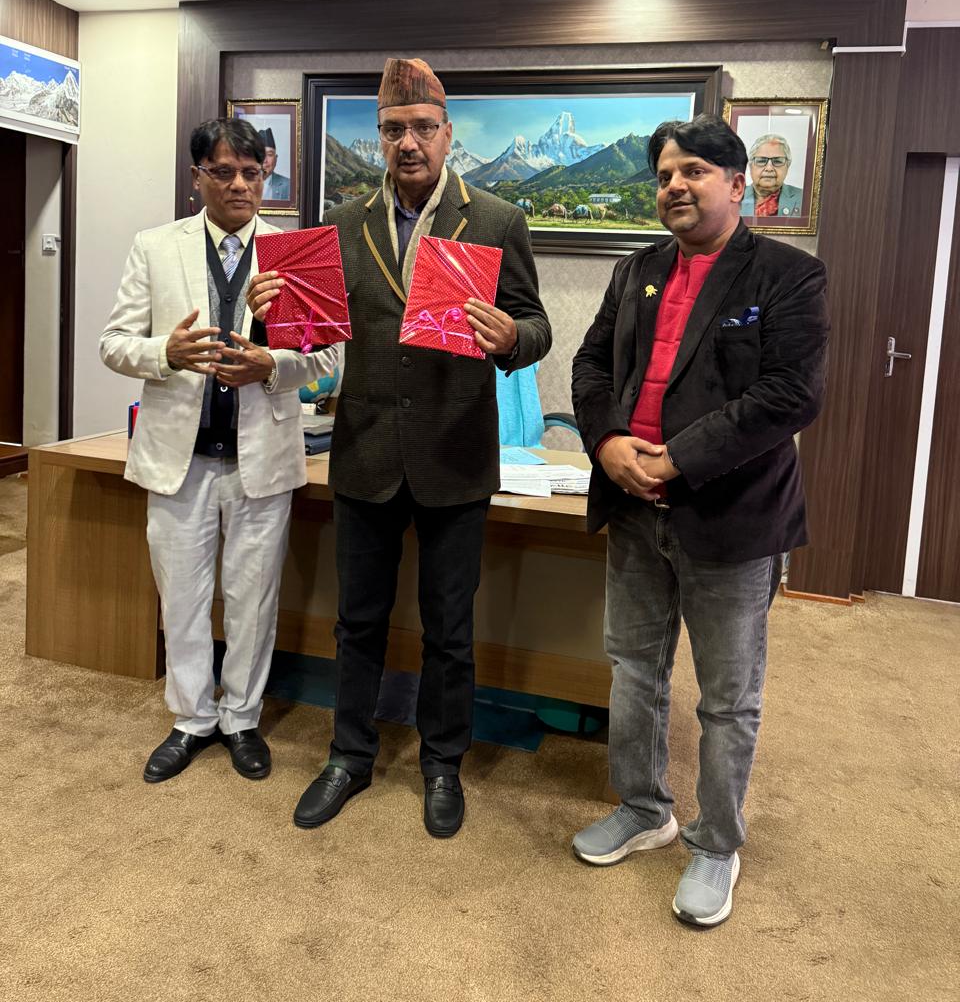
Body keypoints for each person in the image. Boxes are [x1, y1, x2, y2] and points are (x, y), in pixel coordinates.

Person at [248, 57, 552, 838]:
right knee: (357, 621)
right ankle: (348, 756)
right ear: (378, 138)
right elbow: (309, 336)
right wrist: (266, 314)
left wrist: (511, 337)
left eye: (421, 128)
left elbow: (537, 327)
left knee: (449, 629)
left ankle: (442, 764)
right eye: (392, 130)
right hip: (366, 452)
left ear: (447, 135)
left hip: (456, 451)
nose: (407, 142)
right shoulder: (341, 224)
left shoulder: (497, 220)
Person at [570, 114, 828, 927]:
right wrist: (609, 444)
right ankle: (644, 808)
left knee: (726, 695)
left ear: (737, 184)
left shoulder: (788, 275)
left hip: (730, 516)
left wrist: (675, 459)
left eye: (693, 172)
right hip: (632, 509)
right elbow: (589, 364)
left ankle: (717, 841)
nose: (674, 186)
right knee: (633, 671)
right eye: (663, 175)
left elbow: (790, 396)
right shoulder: (636, 270)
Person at [100, 118, 333, 784]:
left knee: (253, 598)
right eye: (223, 172)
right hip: (180, 459)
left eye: (251, 173)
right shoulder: (155, 247)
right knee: (182, 596)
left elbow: (327, 358)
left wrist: (272, 364)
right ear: (197, 176)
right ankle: (192, 718)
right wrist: (164, 353)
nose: (239, 185)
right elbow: (114, 343)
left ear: (266, 175)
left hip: (261, 458)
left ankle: (240, 719)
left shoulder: (296, 252)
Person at [741, 133, 803, 218]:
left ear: (787, 166)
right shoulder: (733, 199)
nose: (769, 168)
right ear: (750, 166)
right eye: (761, 161)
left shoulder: (805, 199)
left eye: (777, 161)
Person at [259, 128, 292, 201]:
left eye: (269, 155)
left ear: (276, 158)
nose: (265, 160)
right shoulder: (244, 183)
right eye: (261, 154)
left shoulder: (288, 185)